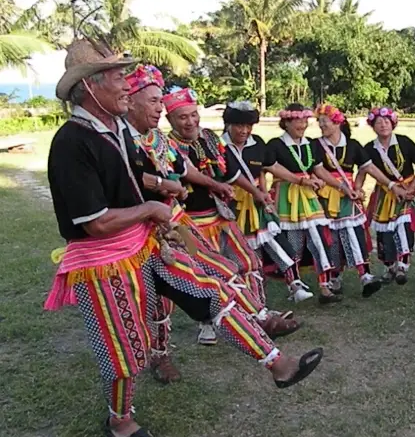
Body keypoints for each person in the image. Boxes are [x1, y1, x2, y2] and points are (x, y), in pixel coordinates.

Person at [45, 40, 322, 437]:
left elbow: (130, 176)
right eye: (120, 78)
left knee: (212, 292)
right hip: (102, 261)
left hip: (143, 244)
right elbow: (96, 223)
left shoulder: (114, 131)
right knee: (123, 351)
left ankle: (279, 365)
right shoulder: (72, 142)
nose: (128, 86)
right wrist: (152, 209)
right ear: (90, 86)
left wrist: (158, 186)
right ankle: (121, 421)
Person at [125, 66, 301, 383]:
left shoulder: (158, 140)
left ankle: (260, 319)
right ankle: (160, 356)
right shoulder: (124, 139)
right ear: (131, 102)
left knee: (223, 269)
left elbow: (186, 169)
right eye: (154, 102)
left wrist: (214, 185)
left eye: (159, 102)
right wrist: (164, 185)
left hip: (176, 224)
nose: (159, 108)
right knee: (161, 301)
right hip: (143, 233)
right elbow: (132, 180)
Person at [164, 88, 275, 344]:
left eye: (193, 115)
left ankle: (259, 314)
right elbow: (185, 172)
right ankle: (207, 323)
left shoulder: (210, 138)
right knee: (204, 272)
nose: (190, 121)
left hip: (220, 215)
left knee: (248, 262)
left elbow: (231, 172)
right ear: (170, 120)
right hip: (185, 223)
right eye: (183, 117)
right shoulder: (165, 145)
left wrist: (258, 192)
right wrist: (215, 185)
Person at [221, 100, 315, 303]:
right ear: (228, 124)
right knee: (246, 252)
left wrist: (300, 180)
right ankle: (251, 298)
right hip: (234, 205)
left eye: (248, 126)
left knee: (276, 240)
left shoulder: (258, 144)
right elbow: (232, 175)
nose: (244, 130)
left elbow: (271, 168)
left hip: (259, 203)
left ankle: (294, 283)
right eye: (239, 125)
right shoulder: (219, 147)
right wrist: (258, 192)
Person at [268, 103, 359, 304]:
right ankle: (295, 285)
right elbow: (271, 168)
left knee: (319, 238)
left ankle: (325, 287)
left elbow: (319, 170)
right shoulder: (275, 144)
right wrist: (300, 180)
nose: (302, 124)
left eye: (304, 120)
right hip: (287, 197)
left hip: (309, 196)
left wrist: (342, 187)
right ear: (286, 123)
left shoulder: (310, 145)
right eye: (296, 121)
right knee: (294, 243)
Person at [314, 104, 406, 297]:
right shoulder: (316, 145)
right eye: (319, 122)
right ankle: (334, 276)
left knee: (353, 232)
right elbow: (318, 170)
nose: (321, 126)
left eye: (325, 122)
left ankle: (365, 276)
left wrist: (390, 186)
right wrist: (342, 187)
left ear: (337, 122)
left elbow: (369, 168)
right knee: (331, 237)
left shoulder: (352, 145)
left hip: (348, 197)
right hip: (326, 196)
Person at [363, 106, 415, 285]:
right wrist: (356, 189)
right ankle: (389, 266)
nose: (383, 125)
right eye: (378, 122)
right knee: (384, 231)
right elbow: (364, 170)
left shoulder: (404, 142)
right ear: (373, 126)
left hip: (407, 191)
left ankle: (403, 267)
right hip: (385, 194)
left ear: (393, 123)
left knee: (404, 225)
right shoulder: (369, 148)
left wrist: (413, 188)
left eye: (386, 121)